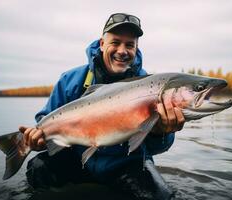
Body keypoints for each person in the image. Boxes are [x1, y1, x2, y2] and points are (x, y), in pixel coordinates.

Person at [19, 13, 185, 200]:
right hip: (77, 160)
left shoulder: (151, 87)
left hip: (125, 165)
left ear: (136, 48)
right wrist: (37, 140)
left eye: (129, 45)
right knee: (38, 168)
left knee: (160, 196)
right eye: (115, 42)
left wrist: (160, 133)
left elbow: (157, 148)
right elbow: (44, 121)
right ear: (102, 44)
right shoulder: (70, 80)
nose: (122, 50)